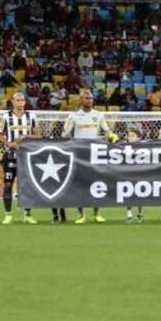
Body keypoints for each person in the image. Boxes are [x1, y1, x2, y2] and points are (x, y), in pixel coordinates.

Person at [62, 89, 119, 224]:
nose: (90, 100)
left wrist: (110, 136)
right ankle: (81, 215)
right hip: (79, 155)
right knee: (79, 186)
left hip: (94, 154)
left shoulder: (99, 115)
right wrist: (72, 142)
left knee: (97, 184)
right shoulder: (73, 116)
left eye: (91, 98)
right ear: (81, 100)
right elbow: (65, 134)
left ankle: (97, 214)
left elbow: (107, 131)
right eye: (87, 98)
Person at [0, 92, 39, 225]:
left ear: (25, 102)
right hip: (10, 155)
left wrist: (26, 137)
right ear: (13, 102)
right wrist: (9, 143)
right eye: (17, 100)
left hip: (26, 156)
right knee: (8, 184)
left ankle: (27, 215)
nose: (20, 102)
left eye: (22, 100)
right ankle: (8, 215)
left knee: (26, 186)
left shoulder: (31, 116)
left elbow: (38, 134)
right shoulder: (6, 116)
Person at [124, 128, 146, 223]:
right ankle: (129, 212)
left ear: (138, 138)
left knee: (140, 194)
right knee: (128, 192)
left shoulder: (144, 146)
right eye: (129, 135)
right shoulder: (123, 146)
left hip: (140, 173)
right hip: (128, 173)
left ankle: (140, 213)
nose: (130, 137)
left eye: (133, 135)